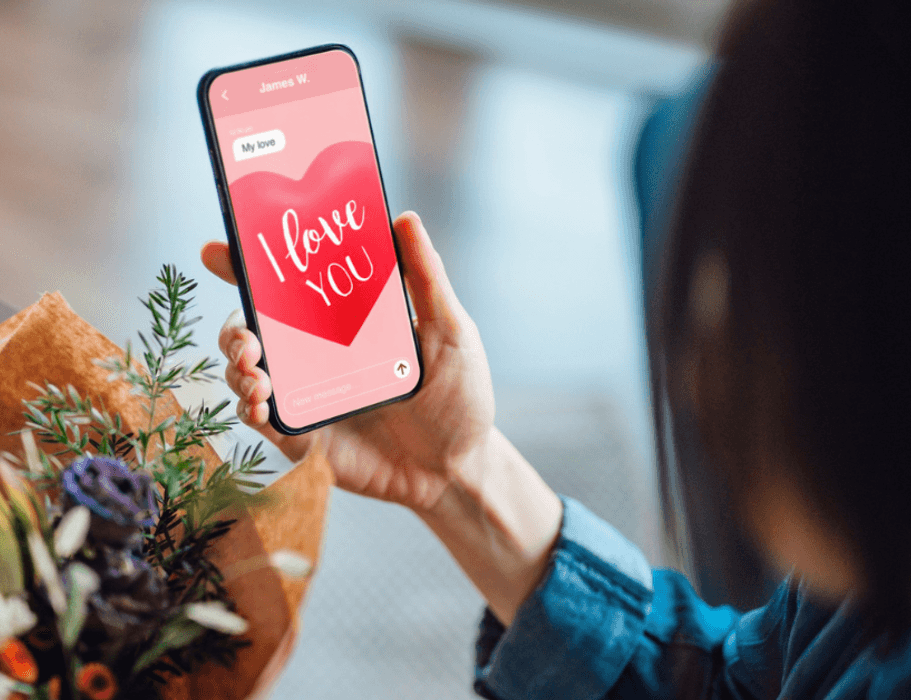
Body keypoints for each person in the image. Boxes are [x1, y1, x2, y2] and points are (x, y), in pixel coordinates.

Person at [200, 0, 911, 697]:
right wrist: (456, 474)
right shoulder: (864, 594)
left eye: (733, 303)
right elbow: (739, 684)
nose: (698, 381)